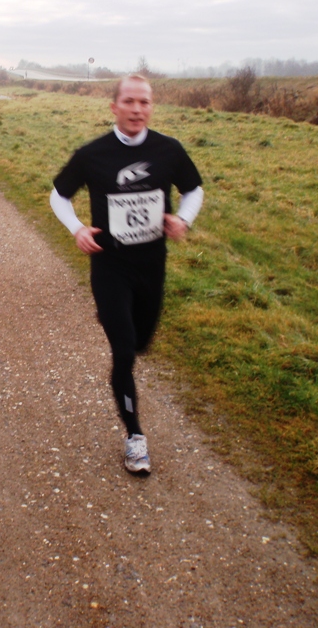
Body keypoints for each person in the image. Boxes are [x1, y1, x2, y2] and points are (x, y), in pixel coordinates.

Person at [50, 75, 204, 474]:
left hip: (152, 266)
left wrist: (183, 219)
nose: (138, 109)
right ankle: (135, 437)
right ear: (114, 107)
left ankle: (118, 322)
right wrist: (77, 228)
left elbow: (194, 189)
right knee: (123, 352)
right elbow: (58, 194)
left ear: (152, 107)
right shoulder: (92, 154)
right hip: (110, 265)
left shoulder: (169, 150)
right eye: (130, 102)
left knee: (139, 343)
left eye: (145, 102)